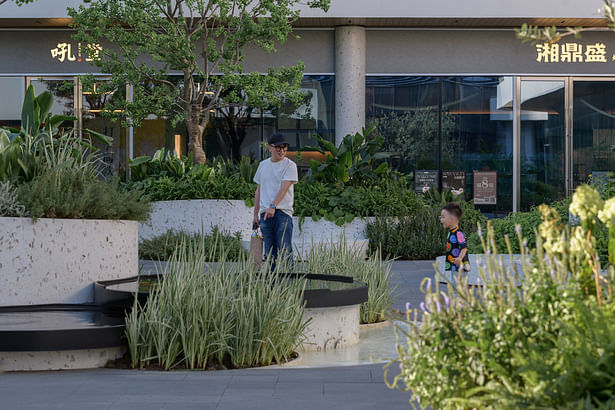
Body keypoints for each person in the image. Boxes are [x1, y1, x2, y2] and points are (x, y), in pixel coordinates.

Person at [253, 133, 298, 271]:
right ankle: (272, 285)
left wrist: (273, 206)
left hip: (282, 213)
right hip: (265, 215)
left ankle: (289, 283)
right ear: (270, 148)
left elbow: (284, 188)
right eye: (278, 147)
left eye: (284, 147)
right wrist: (255, 214)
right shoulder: (263, 165)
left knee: (285, 249)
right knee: (269, 253)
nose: (282, 150)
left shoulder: (290, 165)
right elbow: (258, 190)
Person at [440, 202, 470, 276]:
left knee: (459, 284)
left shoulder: (458, 233)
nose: (441, 220)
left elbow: (464, 248)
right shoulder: (452, 232)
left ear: (452, 219)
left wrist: (459, 258)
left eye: (443, 217)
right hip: (454, 266)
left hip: (460, 266)